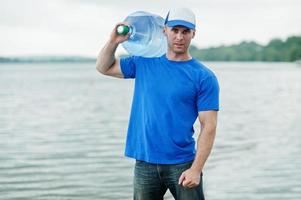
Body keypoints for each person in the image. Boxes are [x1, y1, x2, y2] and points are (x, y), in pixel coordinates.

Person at [96, 7, 219, 200]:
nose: (179, 36)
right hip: (145, 162)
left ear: (193, 34)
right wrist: (113, 42)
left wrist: (196, 168)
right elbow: (104, 67)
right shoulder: (144, 62)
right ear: (164, 30)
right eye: (175, 30)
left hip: (183, 163)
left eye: (185, 31)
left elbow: (209, 126)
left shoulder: (203, 77)